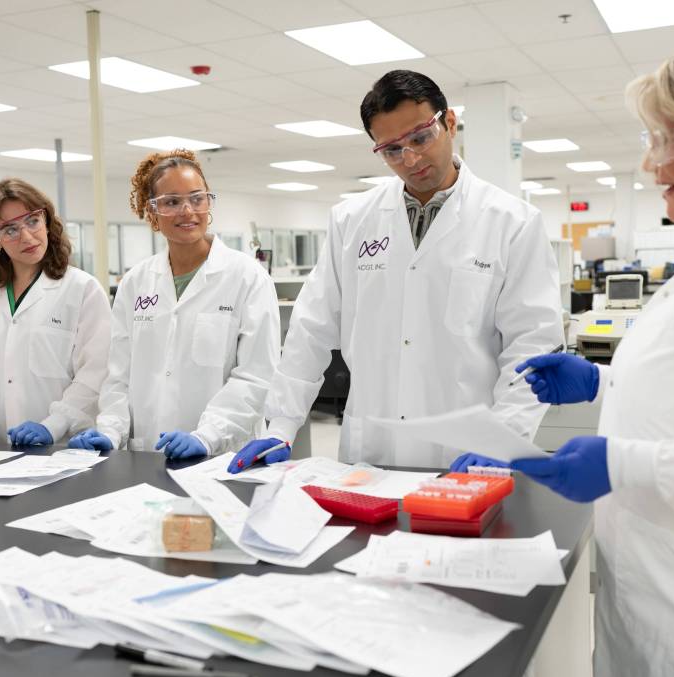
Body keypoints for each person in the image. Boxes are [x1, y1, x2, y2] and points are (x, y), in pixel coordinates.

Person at [454, 34, 674, 677]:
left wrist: (624, 463)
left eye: (671, 137)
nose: (652, 163)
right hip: (662, 596)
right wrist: (601, 381)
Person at [230, 69, 564, 473]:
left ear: (450, 122)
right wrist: (281, 423)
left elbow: (533, 345)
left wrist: (505, 435)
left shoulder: (512, 222)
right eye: (391, 149)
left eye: (421, 137)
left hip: (466, 449)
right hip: (372, 446)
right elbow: (311, 329)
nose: (410, 159)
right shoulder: (351, 220)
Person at [69, 150, 280, 457]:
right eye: (171, 202)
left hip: (223, 453)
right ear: (152, 213)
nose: (187, 211)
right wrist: (110, 430)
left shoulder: (247, 277)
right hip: (148, 452)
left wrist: (208, 435)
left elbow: (256, 375)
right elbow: (119, 375)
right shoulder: (135, 282)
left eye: (197, 198)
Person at [0, 179, 110, 446]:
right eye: (9, 229)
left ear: (46, 220)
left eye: (32, 221)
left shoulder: (82, 290)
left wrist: (53, 425)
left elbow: (94, 373)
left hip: (62, 449)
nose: (26, 236)